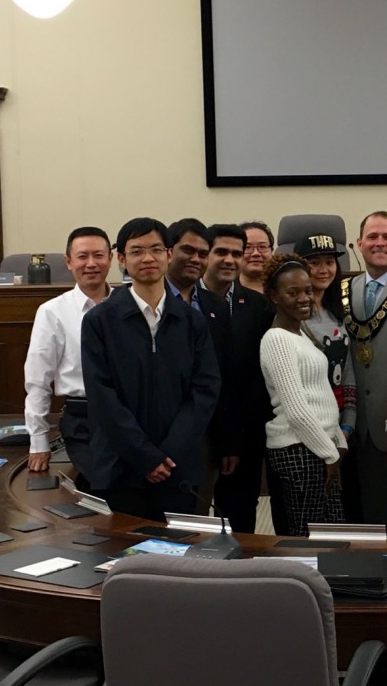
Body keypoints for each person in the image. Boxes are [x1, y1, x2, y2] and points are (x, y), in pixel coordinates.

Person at [82, 218, 221, 522]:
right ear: (122, 260)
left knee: (178, 558)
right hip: (122, 465)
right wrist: (144, 456)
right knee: (122, 557)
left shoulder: (191, 321)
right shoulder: (100, 321)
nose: (148, 258)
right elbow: (101, 394)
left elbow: (205, 389)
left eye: (156, 249)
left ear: (169, 255)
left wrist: (167, 455)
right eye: (137, 251)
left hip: (178, 466)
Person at [259, 254, 348, 536]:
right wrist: (329, 453)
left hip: (317, 448)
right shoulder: (277, 339)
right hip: (299, 451)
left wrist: (337, 440)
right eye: (293, 292)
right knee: (307, 537)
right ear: (274, 296)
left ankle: (332, 582)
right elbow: (297, 409)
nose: (304, 298)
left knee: (330, 534)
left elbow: (320, 395)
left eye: (308, 291)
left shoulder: (301, 334)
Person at [23, 226, 113, 485]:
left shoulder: (127, 305)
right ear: (69, 262)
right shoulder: (52, 312)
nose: (91, 264)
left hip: (130, 415)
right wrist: (38, 441)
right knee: (104, 484)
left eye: (99, 255)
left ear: (111, 259)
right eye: (83, 256)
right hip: (83, 418)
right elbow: (38, 381)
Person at [200, 223, 274, 534]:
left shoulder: (258, 306)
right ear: (206, 256)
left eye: (236, 253)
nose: (230, 260)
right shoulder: (182, 302)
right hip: (196, 430)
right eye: (221, 252)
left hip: (244, 432)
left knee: (241, 516)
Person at [344, 211, 387, 536]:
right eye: (372, 237)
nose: (380, 243)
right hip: (354, 423)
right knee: (365, 514)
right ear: (359, 243)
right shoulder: (342, 289)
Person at [165, 218, 237, 508]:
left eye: (202, 253)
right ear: (169, 251)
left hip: (203, 439)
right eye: (188, 250)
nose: (196, 259)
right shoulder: (146, 301)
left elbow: (226, 377)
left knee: (195, 520)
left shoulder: (216, 307)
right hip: (155, 436)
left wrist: (229, 442)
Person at [295, 232, 361, 523]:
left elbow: (347, 370)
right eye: (314, 263)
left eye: (330, 262)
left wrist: (348, 424)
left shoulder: (339, 312)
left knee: (338, 514)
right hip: (305, 431)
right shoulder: (291, 315)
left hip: (339, 429)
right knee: (308, 517)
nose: (324, 270)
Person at [239, 221, 275, 293]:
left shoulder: (284, 286)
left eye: (262, 247)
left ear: (272, 251)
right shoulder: (225, 289)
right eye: (247, 247)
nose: (256, 253)